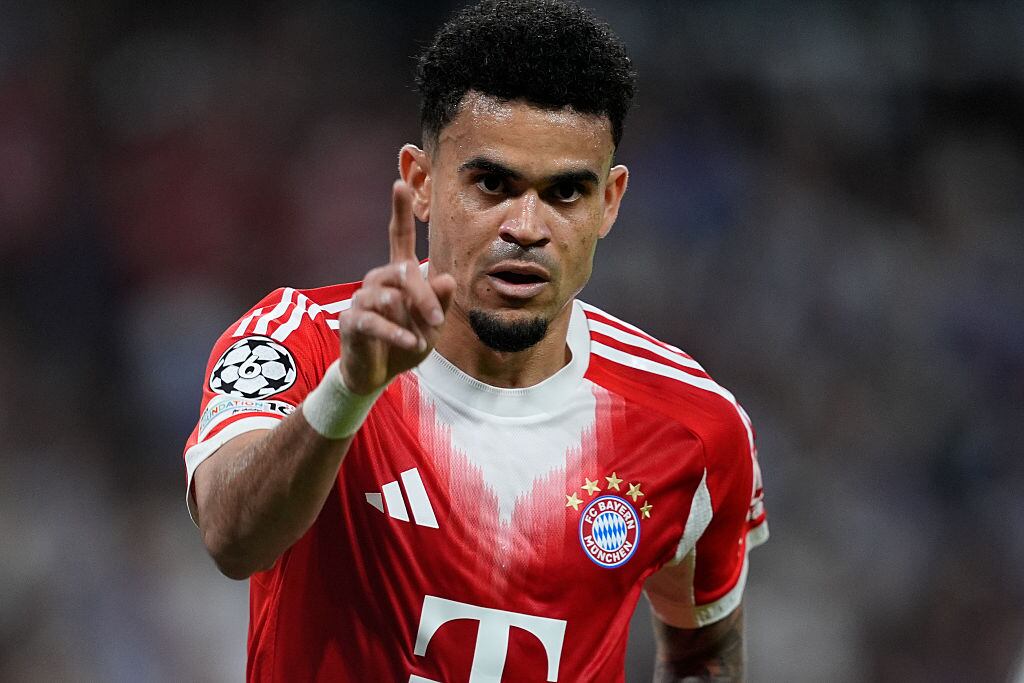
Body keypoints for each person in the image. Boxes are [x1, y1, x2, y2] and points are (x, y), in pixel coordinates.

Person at [183, 0, 767, 680]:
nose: (527, 227)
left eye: (566, 193)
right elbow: (231, 536)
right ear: (421, 183)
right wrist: (350, 390)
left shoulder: (696, 426)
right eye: (492, 184)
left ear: (609, 202)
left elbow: (703, 652)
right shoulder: (303, 341)